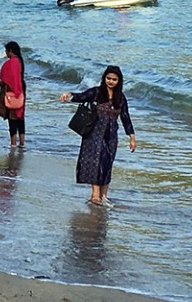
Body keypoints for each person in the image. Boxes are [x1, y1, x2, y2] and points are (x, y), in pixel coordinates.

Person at [58, 65, 136, 205]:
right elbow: (82, 97)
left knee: (107, 163)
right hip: (94, 133)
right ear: (104, 78)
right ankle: (95, 195)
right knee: (95, 163)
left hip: (111, 135)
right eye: (108, 78)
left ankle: (104, 196)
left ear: (119, 81)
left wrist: (132, 137)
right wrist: (69, 94)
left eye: (114, 79)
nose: (111, 81)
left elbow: (125, 117)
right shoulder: (97, 92)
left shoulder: (121, 98)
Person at [0, 40, 26, 148]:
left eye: (6, 51)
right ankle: (22, 143)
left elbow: (9, 79)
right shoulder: (20, 61)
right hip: (21, 89)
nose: (6, 54)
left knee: (12, 117)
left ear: (10, 51)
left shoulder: (13, 62)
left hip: (11, 91)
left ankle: (13, 143)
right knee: (20, 117)